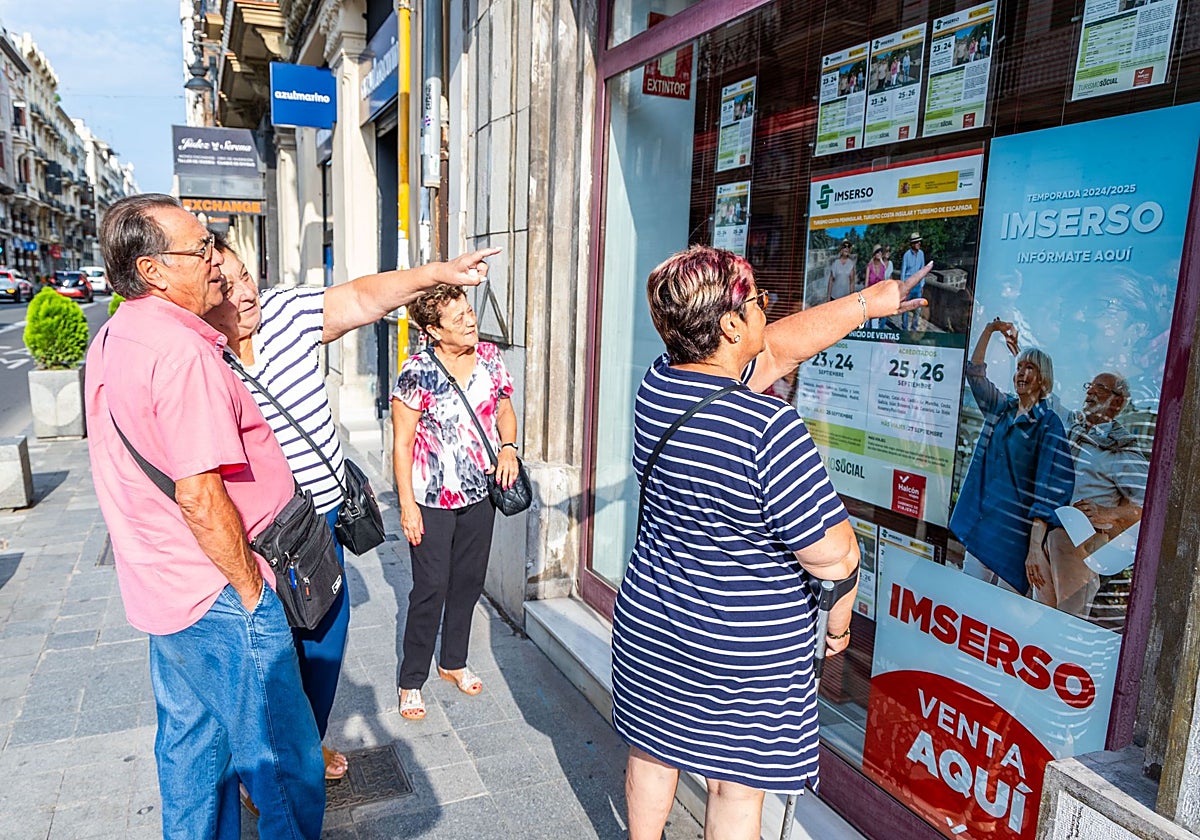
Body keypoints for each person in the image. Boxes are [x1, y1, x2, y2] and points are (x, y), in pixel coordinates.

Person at [614, 245, 931, 840]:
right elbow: (835, 556)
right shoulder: (768, 429)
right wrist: (838, 629)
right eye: (759, 300)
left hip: (652, 621)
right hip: (740, 650)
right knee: (734, 788)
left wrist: (867, 304)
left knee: (653, 753)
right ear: (731, 326)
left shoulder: (658, 384)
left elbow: (778, 346)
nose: (768, 307)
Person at [201, 236, 496, 778]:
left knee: (323, 647)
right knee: (269, 653)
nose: (246, 293)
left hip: (324, 525)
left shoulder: (284, 313)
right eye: (228, 283)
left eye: (248, 275)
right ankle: (264, 764)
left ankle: (305, 742)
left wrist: (437, 273)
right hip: (258, 535)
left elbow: (363, 297)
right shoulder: (201, 354)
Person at [85, 194, 325, 839]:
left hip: (164, 587)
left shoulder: (115, 334)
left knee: (194, 753)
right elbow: (199, 491)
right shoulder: (180, 351)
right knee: (284, 761)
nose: (217, 262)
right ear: (153, 270)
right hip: (217, 589)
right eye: (201, 250)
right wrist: (250, 593)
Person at [390, 285, 520, 720]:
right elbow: (403, 443)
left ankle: (453, 662)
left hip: (481, 492)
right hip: (430, 497)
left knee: (467, 582)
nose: (469, 319)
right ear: (432, 329)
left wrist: (508, 447)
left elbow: (503, 409)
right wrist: (407, 504)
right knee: (430, 588)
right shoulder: (416, 372)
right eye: (458, 316)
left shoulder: (488, 357)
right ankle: (411, 679)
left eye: (468, 310)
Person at [949, 318, 1074, 595]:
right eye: (1019, 367)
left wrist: (1034, 549)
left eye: (1030, 367)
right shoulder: (1001, 408)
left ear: (1043, 379)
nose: (1021, 373)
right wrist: (989, 330)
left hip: (1016, 538)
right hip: (985, 526)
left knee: (1000, 614)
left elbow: (1048, 489)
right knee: (968, 600)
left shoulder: (1048, 423)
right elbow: (975, 374)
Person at [1031, 372, 1148, 616]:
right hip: (1046, 535)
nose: (1090, 392)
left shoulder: (1121, 449)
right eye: (1089, 386)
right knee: (1038, 619)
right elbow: (1045, 398)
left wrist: (1109, 513)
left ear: (1117, 402)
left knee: (1068, 622)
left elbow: (1150, 507)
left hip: (1083, 542)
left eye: (1100, 388)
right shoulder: (1070, 426)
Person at [900, 232, 926, 330]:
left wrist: (922, 285)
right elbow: (903, 272)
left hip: (918, 286)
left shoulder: (921, 254)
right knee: (906, 309)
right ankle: (905, 329)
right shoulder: (906, 255)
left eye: (919, 242)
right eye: (917, 242)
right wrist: (903, 288)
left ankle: (914, 328)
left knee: (917, 309)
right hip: (908, 286)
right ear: (912, 244)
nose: (919, 243)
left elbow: (922, 270)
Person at [865, 244, 890, 328]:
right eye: (877, 252)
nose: (879, 253)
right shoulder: (869, 267)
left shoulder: (883, 267)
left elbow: (882, 283)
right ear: (874, 254)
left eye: (880, 252)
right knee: (867, 321)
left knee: (875, 321)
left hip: (878, 297)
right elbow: (866, 283)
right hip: (869, 297)